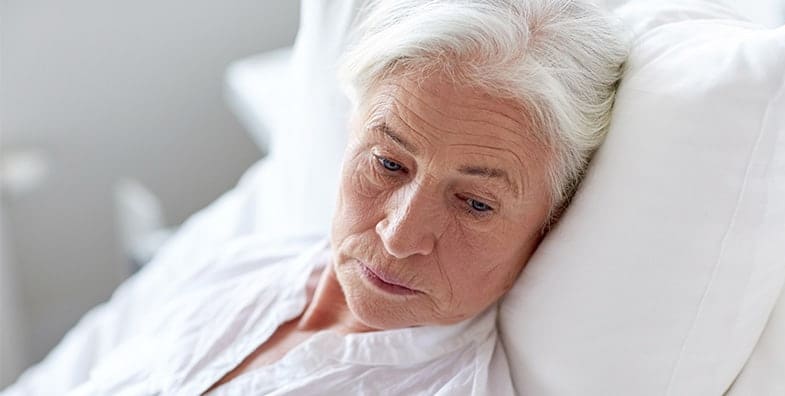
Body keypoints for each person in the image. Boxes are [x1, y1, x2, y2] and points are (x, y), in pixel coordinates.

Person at [1, 0, 627, 394]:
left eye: (476, 204)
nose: (400, 234)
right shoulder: (245, 263)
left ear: (548, 222)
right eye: (387, 163)